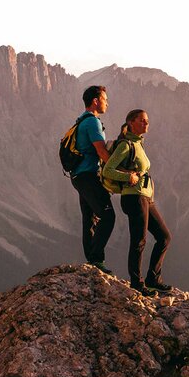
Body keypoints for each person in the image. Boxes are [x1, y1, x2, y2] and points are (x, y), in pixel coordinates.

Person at [102, 109, 172, 294]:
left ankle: (153, 278)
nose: (146, 124)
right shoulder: (126, 145)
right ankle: (137, 283)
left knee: (164, 237)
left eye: (147, 121)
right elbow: (107, 171)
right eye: (142, 121)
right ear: (131, 123)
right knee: (139, 241)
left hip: (145, 197)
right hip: (134, 197)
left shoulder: (138, 144)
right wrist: (128, 178)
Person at [70, 85, 116, 274]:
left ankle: (92, 261)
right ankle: (96, 259)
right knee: (107, 215)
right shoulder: (92, 122)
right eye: (105, 99)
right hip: (88, 176)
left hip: (79, 176)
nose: (107, 102)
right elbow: (101, 150)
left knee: (89, 219)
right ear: (95, 101)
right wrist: (116, 172)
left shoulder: (81, 121)